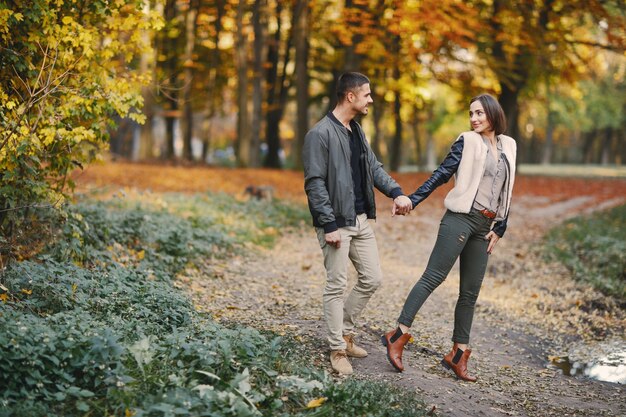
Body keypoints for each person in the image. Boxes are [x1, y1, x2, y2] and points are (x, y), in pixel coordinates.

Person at [381, 93, 517, 382]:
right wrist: (413, 200)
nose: (474, 119)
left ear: (493, 114)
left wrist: (501, 226)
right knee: (433, 277)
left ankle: (458, 354)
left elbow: (509, 187)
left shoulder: (510, 146)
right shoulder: (467, 141)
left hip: (486, 226)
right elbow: (443, 173)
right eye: (471, 114)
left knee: (470, 293)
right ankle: (398, 334)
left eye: (479, 113)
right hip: (460, 219)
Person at [303, 72, 412, 375]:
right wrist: (329, 225)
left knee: (372, 278)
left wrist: (396, 192)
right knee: (336, 286)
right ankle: (337, 349)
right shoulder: (320, 134)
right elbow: (314, 184)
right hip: (336, 222)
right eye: (367, 94)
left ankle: (345, 333)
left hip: (361, 220)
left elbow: (373, 168)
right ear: (350, 96)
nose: (370, 99)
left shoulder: (357, 132)